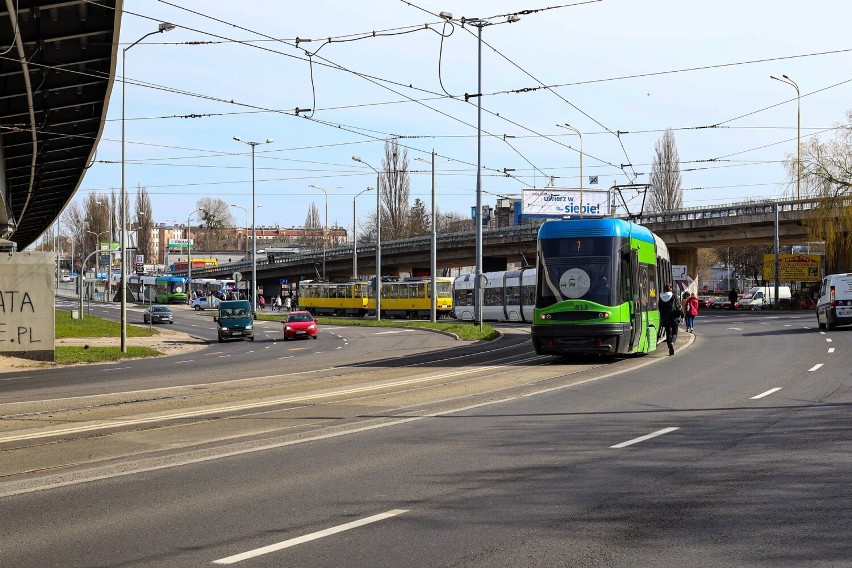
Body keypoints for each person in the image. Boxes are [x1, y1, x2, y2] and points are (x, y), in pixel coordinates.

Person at [659, 284, 680, 356]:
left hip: (665, 318)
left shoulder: (661, 297)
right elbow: (678, 306)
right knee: (675, 332)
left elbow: (660, 308)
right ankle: (672, 343)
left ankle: (669, 346)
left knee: (668, 333)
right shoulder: (674, 296)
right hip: (674, 318)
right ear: (670, 288)